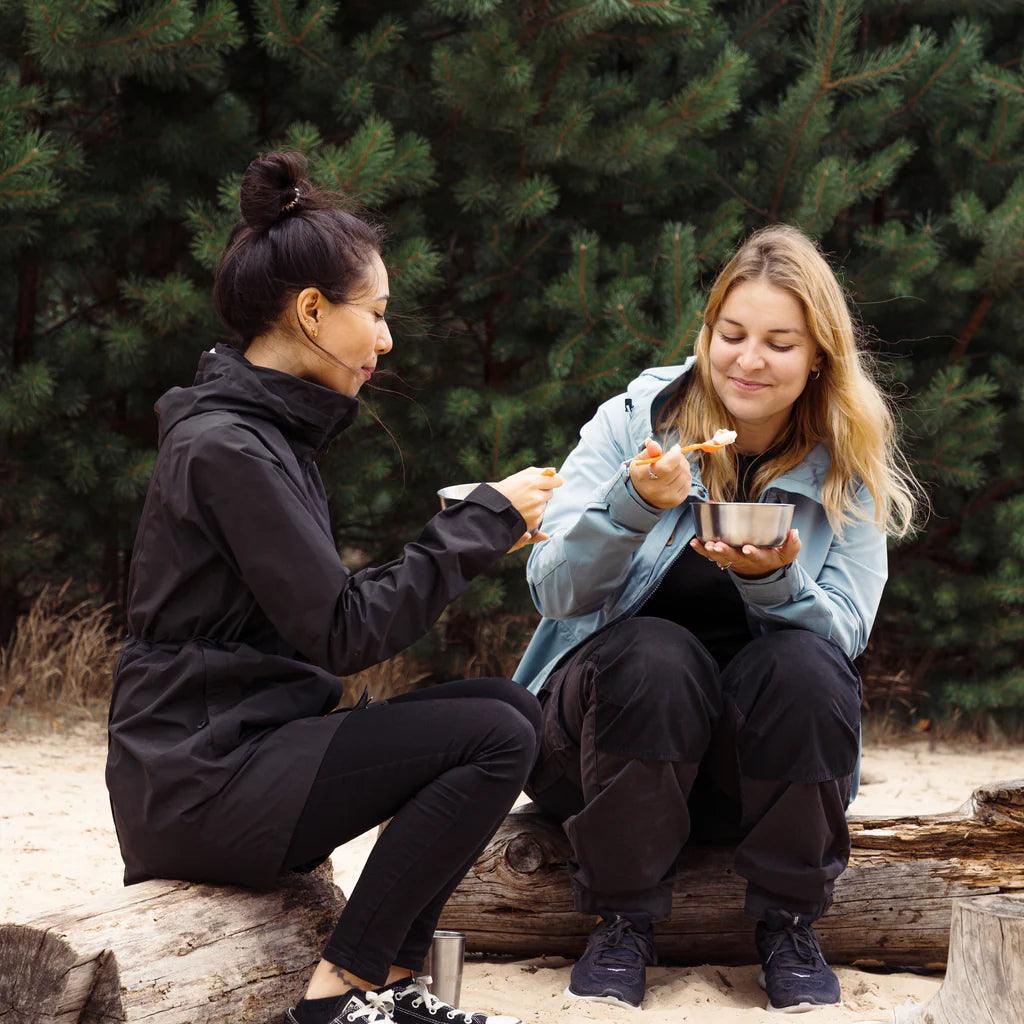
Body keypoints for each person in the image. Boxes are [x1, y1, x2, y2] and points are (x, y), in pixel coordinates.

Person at [105, 151, 563, 1024]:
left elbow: (320, 617)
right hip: (197, 778)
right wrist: (478, 525)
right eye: (378, 314)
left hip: (238, 753)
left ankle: (389, 985)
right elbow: (343, 633)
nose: (387, 339)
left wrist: (481, 525)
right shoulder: (227, 449)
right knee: (494, 735)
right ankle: (345, 994)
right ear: (312, 311)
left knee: (512, 711)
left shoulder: (265, 437)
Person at [513, 224, 921, 1013]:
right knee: (659, 652)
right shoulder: (636, 422)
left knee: (805, 665)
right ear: (706, 335)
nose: (749, 360)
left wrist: (777, 587)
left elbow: (848, 633)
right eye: (731, 334)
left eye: (779, 342)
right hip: (593, 755)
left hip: (754, 774)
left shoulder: (847, 463)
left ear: (817, 358)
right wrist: (631, 505)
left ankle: (789, 924)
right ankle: (621, 918)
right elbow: (553, 588)